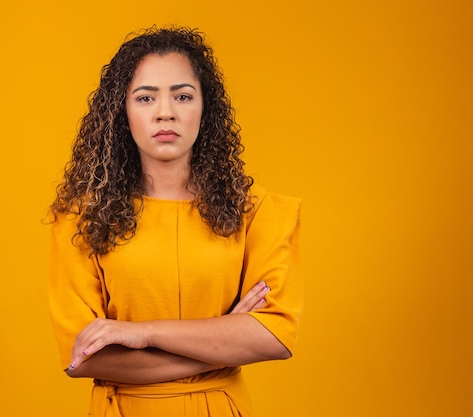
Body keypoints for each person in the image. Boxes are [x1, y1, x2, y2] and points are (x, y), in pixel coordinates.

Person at [48, 26, 303, 417]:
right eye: (145, 97)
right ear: (122, 111)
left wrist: (140, 333)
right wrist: (222, 341)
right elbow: (84, 357)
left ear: (206, 108)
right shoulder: (81, 219)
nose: (165, 111)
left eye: (183, 96)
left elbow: (275, 336)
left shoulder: (257, 212)